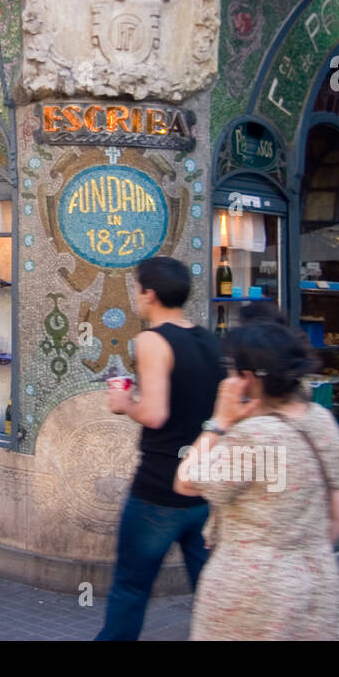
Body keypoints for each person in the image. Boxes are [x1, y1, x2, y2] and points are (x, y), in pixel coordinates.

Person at [174, 321, 339, 640]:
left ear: (249, 379)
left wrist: (219, 422)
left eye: (231, 368)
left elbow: (186, 480)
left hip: (251, 590)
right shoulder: (321, 419)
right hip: (319, 582)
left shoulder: (252, 437)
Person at [96, 256, 225, 640]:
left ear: (149, 294)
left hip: (159, 489)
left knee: (131, 589)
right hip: (202, 485)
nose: (136, 296)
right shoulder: (206, 339)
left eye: (137, 289)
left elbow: (154, 414)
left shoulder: (152, 340)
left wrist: (124, 404)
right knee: (213, 590)